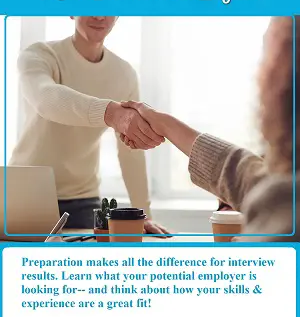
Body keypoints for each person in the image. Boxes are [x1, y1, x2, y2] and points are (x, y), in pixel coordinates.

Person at [120, 16, 299, 240]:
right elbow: (250, 176)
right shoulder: (283, 189)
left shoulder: (285, 218)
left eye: (266, 60)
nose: (259, 76)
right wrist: (166, 124)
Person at [9, 16, 169, 235]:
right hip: (25, 194)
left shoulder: (124, 74)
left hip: (83, 199)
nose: (100, 16)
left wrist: (143, 214)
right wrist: (111, 113)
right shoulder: (39, 55)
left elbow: (130, 151)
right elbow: (46, 99)